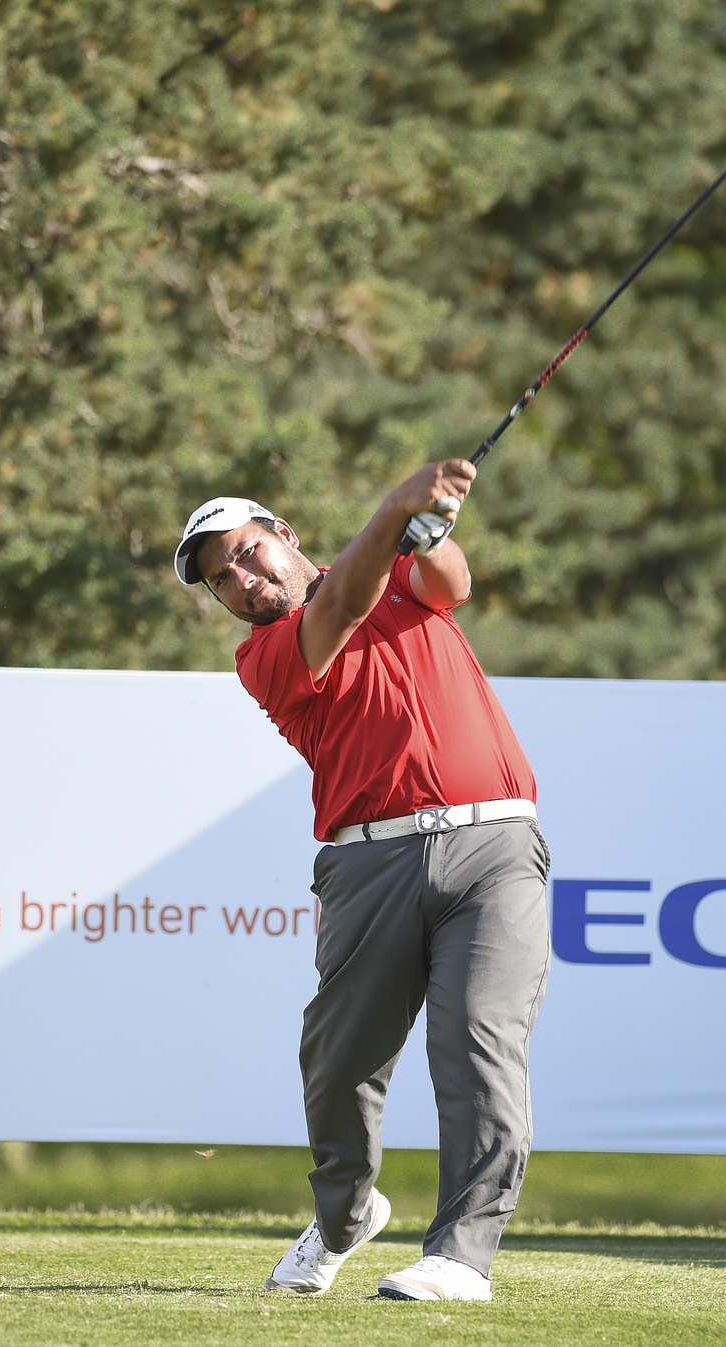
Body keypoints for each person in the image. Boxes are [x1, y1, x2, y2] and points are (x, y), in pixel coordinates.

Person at [173, 460, 550, 1303]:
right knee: (340, 1064)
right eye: (221, 580)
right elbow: (340, 602)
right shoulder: (265, 655)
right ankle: (344, 1212)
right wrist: (397, 506)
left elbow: (450, 579)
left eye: (244, 553)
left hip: (495, 844)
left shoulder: (395, 576)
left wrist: (434, 522)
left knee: (479, 1042)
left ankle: (461, 1254)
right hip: (368, 860)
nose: (240, 580)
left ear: (285, 535)